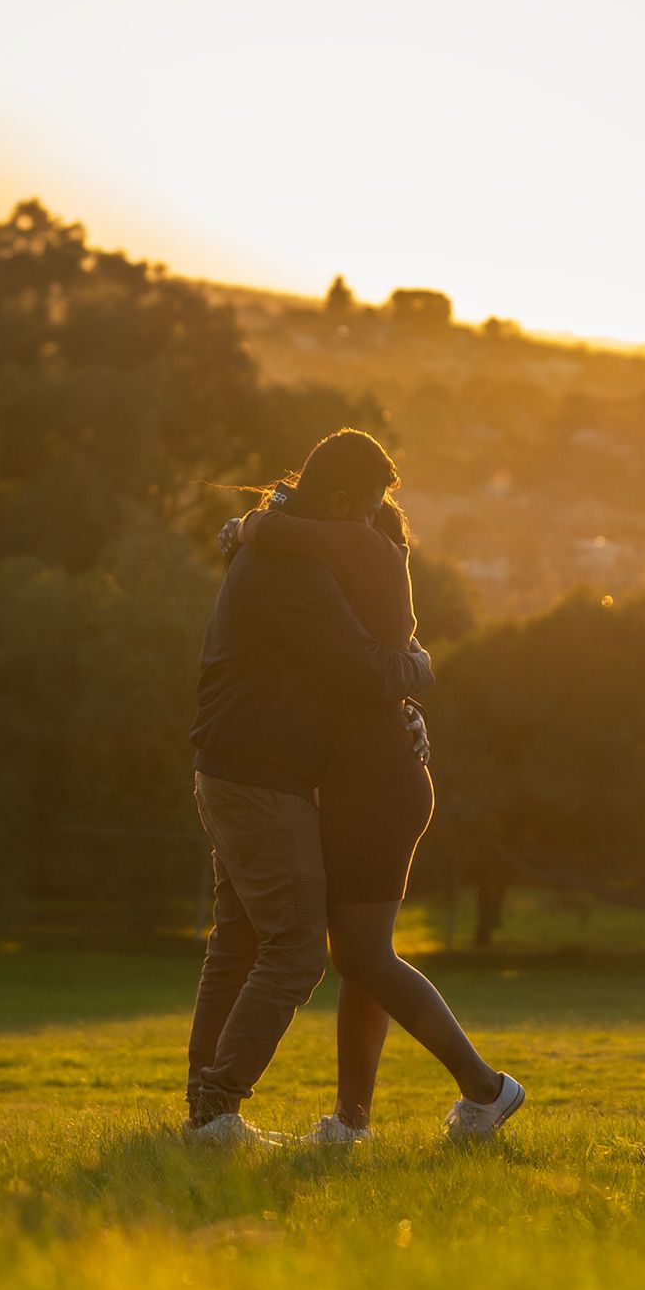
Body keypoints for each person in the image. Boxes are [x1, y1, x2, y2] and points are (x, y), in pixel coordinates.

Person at [224, 429, 525, 1144]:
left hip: (378, 781)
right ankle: (352, 1122)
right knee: (360, 951)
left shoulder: (356, 544)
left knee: (361, 954)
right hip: (369, 774)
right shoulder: (364, 542)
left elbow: (273, 530)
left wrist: (243, 526)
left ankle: (487, 1089)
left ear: (334, 500)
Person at [184, 430, 432, 1144]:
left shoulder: (274, 545)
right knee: (294, 950)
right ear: (340, 501)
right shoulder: (289, 570)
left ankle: (206, 1112)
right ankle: (217, 1111)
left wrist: (406, 711)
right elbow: (363, 668)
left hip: (234, 768)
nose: (365, 530)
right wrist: (421, 670)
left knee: (235, 941)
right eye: (364, 513)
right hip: (260, 778)